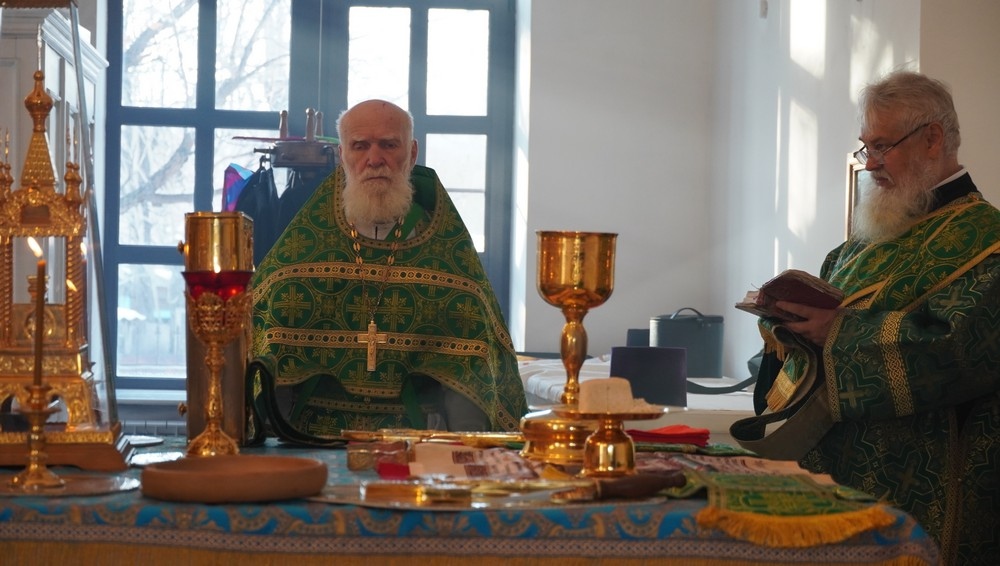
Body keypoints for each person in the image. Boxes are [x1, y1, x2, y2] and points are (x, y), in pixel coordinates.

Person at [732, 71, 1000, 565]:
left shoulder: (987, 241)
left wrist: (837, 332)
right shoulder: (865, 242)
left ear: (932, 139)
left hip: (921, 485)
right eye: (866, 147)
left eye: (881, 146)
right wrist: (786, 324)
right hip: (831, 478)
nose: (870, 162)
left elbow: (957, 350)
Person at [246, 99, 528, 444]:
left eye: (389, 145)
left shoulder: (446, 256)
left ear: (412, 153)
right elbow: (268, 358)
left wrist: (465, 453)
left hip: (420, 445)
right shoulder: (301, 254)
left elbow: (472, 372)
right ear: (342, 155)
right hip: (310, 440)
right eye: (360, 146)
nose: (374, 158)